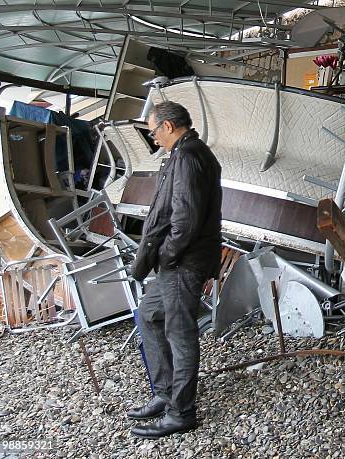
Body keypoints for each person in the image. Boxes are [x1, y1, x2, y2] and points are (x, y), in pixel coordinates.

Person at [128, 101, 222, 439]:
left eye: (153, 131)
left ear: (168, 126)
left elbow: (186, 218)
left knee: (180, 335)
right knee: (150, 315)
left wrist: (166, 255)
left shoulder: (189, 156)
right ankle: (166, 393)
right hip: (180, 262)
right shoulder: (186, 153)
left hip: (184, 263)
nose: (154, 138)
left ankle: (181, 413)